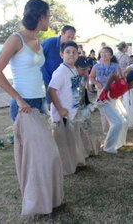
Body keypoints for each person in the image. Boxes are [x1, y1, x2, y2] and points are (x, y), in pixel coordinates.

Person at [0, 0, 64, 216]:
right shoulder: (16, 39)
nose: (49, 20)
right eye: (48, 16)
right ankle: (35, 204)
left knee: (45, 155)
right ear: (40, 16)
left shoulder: (38, 40)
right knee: (38, 157)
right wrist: (18, 99)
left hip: (39, 102)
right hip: (24, 105)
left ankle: (44, 201)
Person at [48, 41, 86, 175]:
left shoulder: (73, 69)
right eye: (68, 52)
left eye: (74, 52)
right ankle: (64, 169)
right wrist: (60, 110)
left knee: (71, 140)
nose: (71, 54)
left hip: (72, 113)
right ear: (61, 54)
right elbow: (51, 90)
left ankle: (73, 163)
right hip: (62, 116)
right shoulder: (61, 71)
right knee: (62, 144)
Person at [98, 70, 133, 153]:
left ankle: (119, 143)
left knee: (124, 121)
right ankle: (108, 148)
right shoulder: (123, 83)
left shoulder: (127, 85)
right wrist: (107, 87)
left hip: (112, 101)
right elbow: (113, 75)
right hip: (105, 101)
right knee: (117, 123)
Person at [41, 25, 76, 106]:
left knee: (62, 103)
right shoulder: (49, 43)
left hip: (63, 80)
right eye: (68, 37)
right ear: (62, 33)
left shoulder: (70, 46)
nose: (70, 40)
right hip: (48, 79)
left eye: (72, 38)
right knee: (52, 105)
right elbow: (38, 58)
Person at [90, 46, 120, 134]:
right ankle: (106, 131)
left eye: (106, 52)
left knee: (113, 109)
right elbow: (91, 77)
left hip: (112, 91)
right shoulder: (96, 66)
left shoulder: (115, 66)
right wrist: (96, 83)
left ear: (111, 55)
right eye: (102, 52)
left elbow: (120, 78)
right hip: (101, 91)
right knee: (103, 111)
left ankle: (114, 127)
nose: (104, 54)